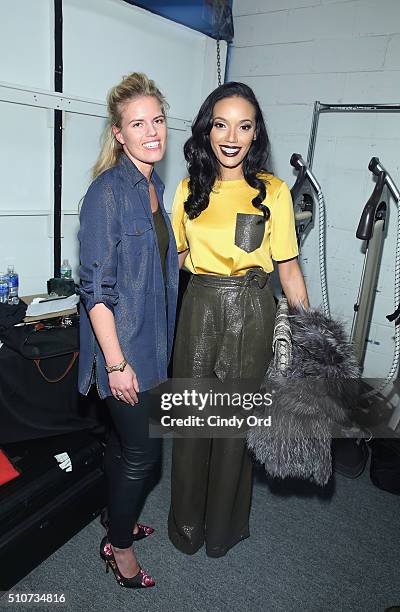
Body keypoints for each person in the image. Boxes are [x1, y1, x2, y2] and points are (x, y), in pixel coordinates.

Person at [168, 81, 309, 558]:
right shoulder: (188, 189)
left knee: (232, 428)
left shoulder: (275, 191)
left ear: (254, 134)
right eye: (221, 124)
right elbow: (181, 257)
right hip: (200, 308)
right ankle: (185, 528)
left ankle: (223, 531)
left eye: (243, 126)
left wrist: (307, 337)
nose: (231, 136)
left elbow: (288, 267)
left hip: (253, 310)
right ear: (207, 130)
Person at [78, 72, 178, 587]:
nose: (152, 131)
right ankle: (118, 549)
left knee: (122, 445)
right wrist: (116, 363)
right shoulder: (107, 193)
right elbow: (95, 291)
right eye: (138, 123)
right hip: (126, 352)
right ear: (119, 133)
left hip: (153, 347)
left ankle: (112, 519)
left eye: (157, 119)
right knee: (144, 453)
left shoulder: (156, 187)